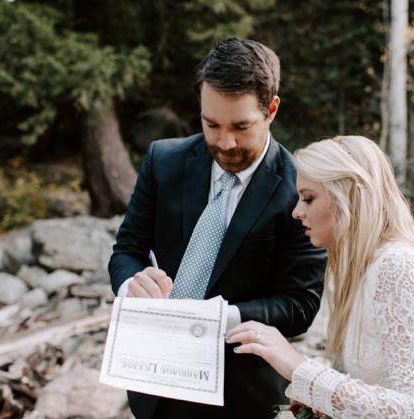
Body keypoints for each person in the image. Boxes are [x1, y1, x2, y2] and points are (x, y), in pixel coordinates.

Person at [108, 38, 326, 418]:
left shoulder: (300, 189)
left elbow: (299, 303)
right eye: (211, 124)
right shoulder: (163, 161)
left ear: (271, 110)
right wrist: (132, 286)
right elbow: (128, 248)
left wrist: (215, 319)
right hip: (152, 383)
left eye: (241, 126)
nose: (224, 142)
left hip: (243, 396)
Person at [225, 136, 414, 418]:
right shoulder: (369, 268)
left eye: (309, 198)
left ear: (347, 196)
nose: (297, 212)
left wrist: (299, 367)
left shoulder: (400, 266)